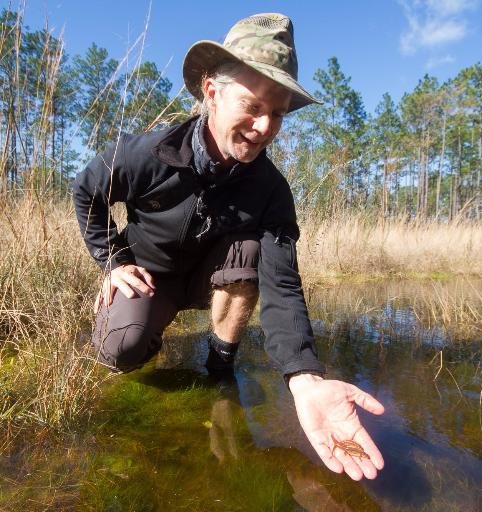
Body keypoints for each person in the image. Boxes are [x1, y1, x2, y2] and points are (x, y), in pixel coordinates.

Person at [73, 12, 385, 481]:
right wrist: (112, 261)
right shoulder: (146, 154)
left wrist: (304, 379)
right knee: (120, 352)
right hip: (149, 275)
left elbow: (281, 283)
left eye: (277, 113)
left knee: (250, 251)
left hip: (211, 279)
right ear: (211, 92)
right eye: (253, 105)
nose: (264, 127)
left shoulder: (271, 191)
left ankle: (219, 364)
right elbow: (86, 192)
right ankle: (148, 330)